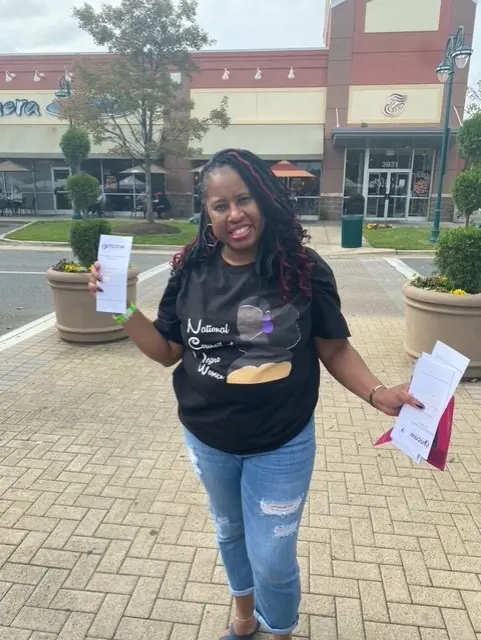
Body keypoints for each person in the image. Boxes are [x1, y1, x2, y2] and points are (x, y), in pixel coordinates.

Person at [88, 148, 423, 640]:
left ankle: (280, 628)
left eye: (243, 199)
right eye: (220, 205)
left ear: (265, 199)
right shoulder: (190, 268)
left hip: (281, 444)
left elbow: (333, 348)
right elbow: (166, 353)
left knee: (272, 558)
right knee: (230, 533)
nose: (234, 214)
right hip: (208, 439)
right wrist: (119, 309)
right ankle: (244, 619)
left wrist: (377, 394)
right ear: (207, 212)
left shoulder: (305, 269)